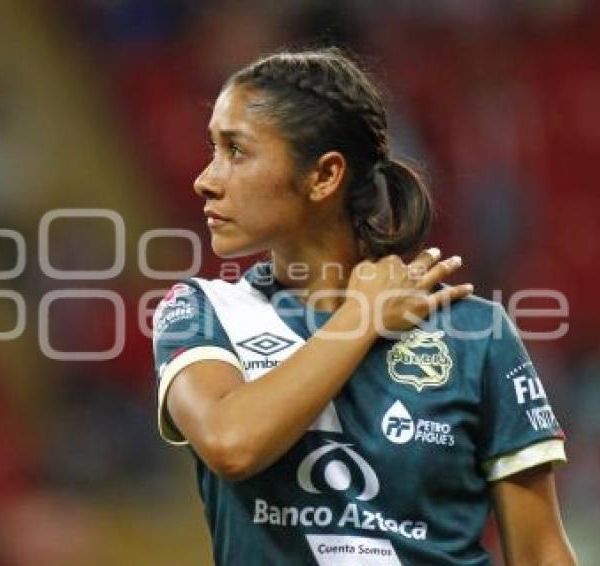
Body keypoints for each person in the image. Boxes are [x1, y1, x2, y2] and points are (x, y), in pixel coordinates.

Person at [152, 47, 576, 565]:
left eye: (236, 152)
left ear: (325, 176)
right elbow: (230, 443)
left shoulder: (474, 332)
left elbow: (541, 553)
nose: (206, 178)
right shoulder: (200, 311)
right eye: (213, 149)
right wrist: (361, 318)